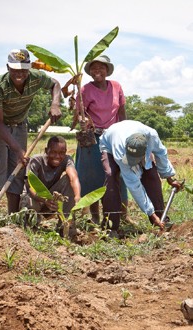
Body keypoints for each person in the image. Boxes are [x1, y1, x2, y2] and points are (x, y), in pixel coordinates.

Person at [0, 49, 62, 215]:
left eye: (23, 69)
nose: (19, 73)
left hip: (20, 124)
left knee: (18, 167)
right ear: (7, 67)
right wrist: (18, 149)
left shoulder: (36, 78)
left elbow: (55, 84)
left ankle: (13, 215)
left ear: (28, 68)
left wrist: (55, 103)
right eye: (14, 69)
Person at [99, 120, 182, 235]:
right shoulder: (120, 150)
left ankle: (161, 218)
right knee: (111, 176)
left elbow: (161, 153)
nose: (133, 163)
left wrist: (169, 177)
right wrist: (150, 213)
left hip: (137, 142)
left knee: (152, 175)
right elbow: (134, 185)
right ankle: (110, 226)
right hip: (109, 144)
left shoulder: (152, 136)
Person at [73, 55, 128, 224]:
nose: (98, 71)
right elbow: (77, 115)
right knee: (92, 177)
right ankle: (95, 217)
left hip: (113, 137)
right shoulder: (85, 90)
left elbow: (122, 112)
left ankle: (123, 216)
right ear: (89, 72)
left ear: (107, 70)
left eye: (101, 68)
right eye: (94, 68)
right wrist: (81, 117)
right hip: (92, 138)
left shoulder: (116, 87)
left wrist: (124, 131)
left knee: (119, 175)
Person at [20, 136, 81, 236]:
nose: (57, 156)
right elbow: (30, 187)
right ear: (46, 150)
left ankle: (65, 227)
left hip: (51, 201)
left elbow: (73, 178)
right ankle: (30, 226)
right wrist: (45, 200)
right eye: (53, 152)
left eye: (62, 153)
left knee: (68, 180)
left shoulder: (66, 160)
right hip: (35, 199)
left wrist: (77, 197)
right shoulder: (36, 161)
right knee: (29, 199)